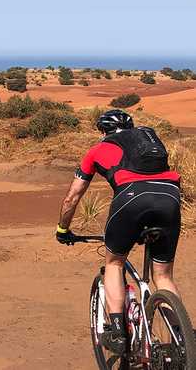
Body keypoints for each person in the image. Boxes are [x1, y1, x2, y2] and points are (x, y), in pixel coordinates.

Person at [56, 109, 181, 355]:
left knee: (114, 263)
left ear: (103, 131)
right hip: (170, 196)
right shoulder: (148, 140)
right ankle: (181, 338)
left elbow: (72, 197)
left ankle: (117, 332)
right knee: (163, 276)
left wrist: (63, 229)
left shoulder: (96, 150)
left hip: (131, 199)